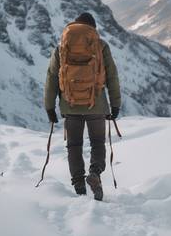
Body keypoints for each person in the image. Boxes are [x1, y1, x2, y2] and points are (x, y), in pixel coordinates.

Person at [44, 12, 121, 200]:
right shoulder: (101, 46)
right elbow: (112, 77)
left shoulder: (62, 47)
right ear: (92, 29)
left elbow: (52, 77)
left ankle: (78, 183)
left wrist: (49, 107)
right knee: (97, 142)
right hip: (96, 106)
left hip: (70, 107)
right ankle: (94, 173)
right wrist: (115, 104)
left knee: (74, 145)